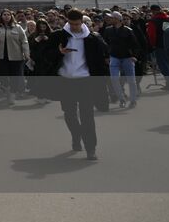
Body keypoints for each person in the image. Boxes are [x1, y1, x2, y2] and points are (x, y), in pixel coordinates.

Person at [46, 9, 110, 160]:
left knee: (87, 115)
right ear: (67, 22)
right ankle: (76, 135)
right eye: (71, 23)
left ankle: (91, 148)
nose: (74, 27)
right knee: (69, 114)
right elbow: (45, 55)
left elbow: (103, 56)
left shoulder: (92, 38)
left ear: (82, 22)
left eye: (77, 24)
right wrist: (59, 52)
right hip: (66, 80)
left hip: (85, 81)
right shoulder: (58, 36)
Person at [101, 12, 141, 108]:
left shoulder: (128, 30)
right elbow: (104, 44)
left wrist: (134, 56)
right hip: (114, 57)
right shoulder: (108, 30)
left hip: (127, 57)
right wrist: (106, 56)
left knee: (131, 80)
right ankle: (122, 99)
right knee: (114, 79)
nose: (109, 19)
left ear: (118, 19)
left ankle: (133, 100)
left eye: (112, 18)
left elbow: (135, 45)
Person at [0, 10, 29, 100]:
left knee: (15, 76)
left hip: (16, 56)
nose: (6, 16)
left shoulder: (17, 27)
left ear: (11, 16)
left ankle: (12, 93)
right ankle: (6, 88)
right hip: (0, 56)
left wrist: (26, 54)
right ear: (1, 16)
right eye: (4, 15)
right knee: (3, 75)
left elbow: (24, 41)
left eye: (8, 15)